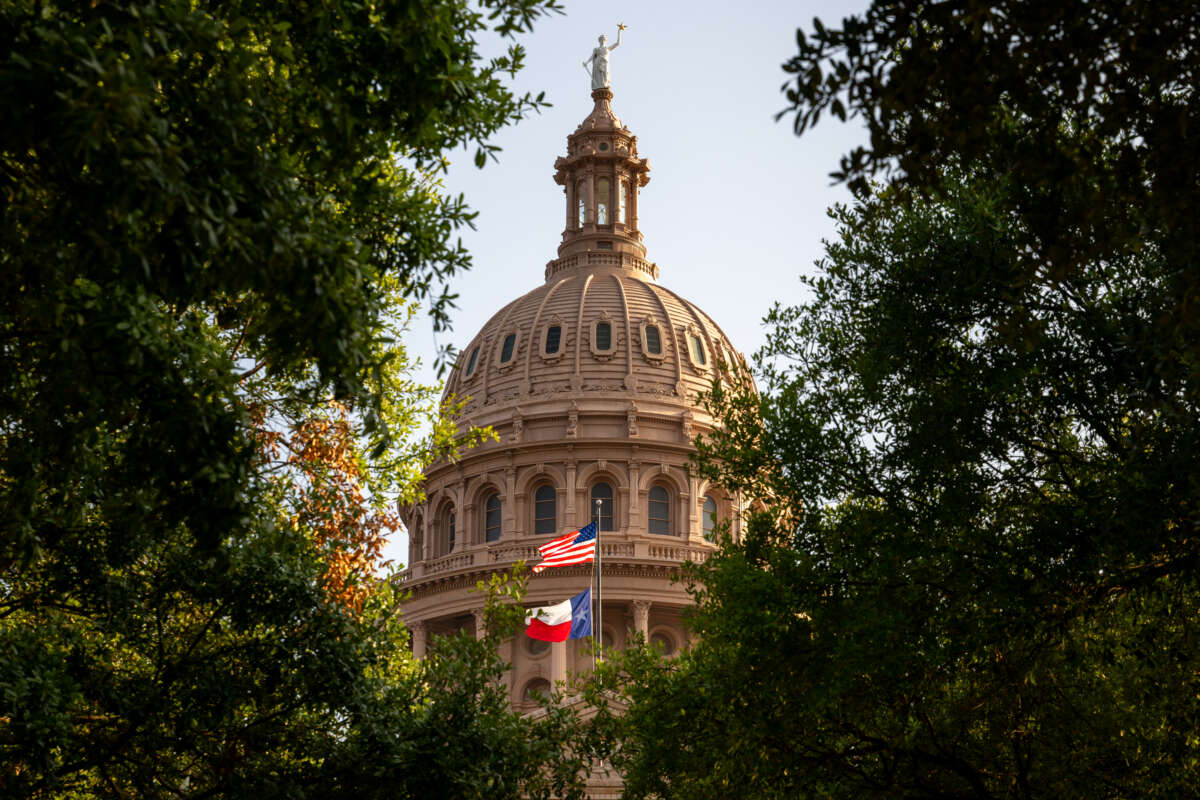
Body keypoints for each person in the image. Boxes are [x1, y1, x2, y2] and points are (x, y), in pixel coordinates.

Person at [583, 26, 624, 90]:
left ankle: (605, 85)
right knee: (599, 76)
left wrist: (619, 32)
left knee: (605, 75)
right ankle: (598, 86)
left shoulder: (607, 48)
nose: (602, 40)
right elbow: (592, 56)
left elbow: (617, 43)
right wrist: (587, 62)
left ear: (605, 40)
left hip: (605, 63)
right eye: (601, 39)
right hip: (598, 62)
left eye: (603, 39)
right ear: (599, 41)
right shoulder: (596, 49)